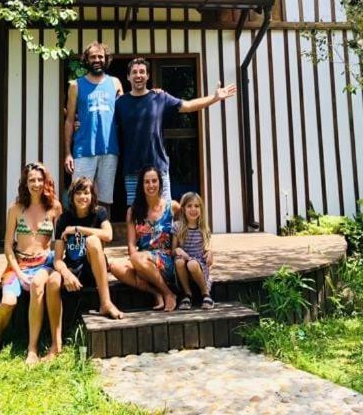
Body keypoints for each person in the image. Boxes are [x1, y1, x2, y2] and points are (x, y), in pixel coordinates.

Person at [115, 57, 237, 203]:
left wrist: (214, 98)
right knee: (136, 215)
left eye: (142, 72)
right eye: (134, 72)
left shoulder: (160, 97)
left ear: (148, 75)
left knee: (165, 214)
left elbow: (189, 105)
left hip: (158, 167)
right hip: (133, 169)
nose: (138, 75)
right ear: (128, 76)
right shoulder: (120, 103)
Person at [0, 163, 64, 365]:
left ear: (46, 181)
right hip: (19, 264)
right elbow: (7, 247)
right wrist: (18, 273)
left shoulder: (54, 207)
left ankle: (32, 348)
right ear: (25, 182)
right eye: (32, 180)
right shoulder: (15, 209)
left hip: (44, 263)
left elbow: (60, 241)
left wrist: (58, 263)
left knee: (38, 285)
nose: (36, 184)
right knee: (8, 302)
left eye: (40, 179)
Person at [109, 165, 182, 312]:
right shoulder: (133, 211)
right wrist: (138, 262)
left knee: (137, 259)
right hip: (142, 260)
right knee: (115, 266)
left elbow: (187, 231)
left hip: (165, 259)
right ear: (141, 185)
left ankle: (169, 294)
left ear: (160, 183)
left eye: (154, 181)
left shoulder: (172, 207)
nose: (151, 185)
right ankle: (157, 292)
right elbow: (131, 246)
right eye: (147, 182)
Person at [53, 176, 124, 320]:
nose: (82, 197)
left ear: (92, 196)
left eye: (86, 193)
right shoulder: (64, 219)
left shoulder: (99, 213)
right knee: (52, 281)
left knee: (92, 241)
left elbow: (108, 235)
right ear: (72, 196)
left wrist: (77, 229)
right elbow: (57, 260)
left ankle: (106, 303)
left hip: (94, 269)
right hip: (74, 272)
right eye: (78, 193)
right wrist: (66, 274)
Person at [64, 42, 122, 214]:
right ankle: (78, 239)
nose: (97, 60)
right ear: (86, 60)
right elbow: (68, 120)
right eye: (93, 57)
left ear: (106, 60)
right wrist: (67, 153)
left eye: (100, 57)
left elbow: (127, 110)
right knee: (79, 196)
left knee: (105, 199)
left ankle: (101, 239)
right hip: (83, 150)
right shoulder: (76, 85)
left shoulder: (115, 83)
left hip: (109, 149)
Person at [174, 191, 214, 309]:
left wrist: (210, 253)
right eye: (189, 206)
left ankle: (205, 293)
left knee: (192, 264)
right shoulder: (177, 226)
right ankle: (187, 294)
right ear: (183, 209)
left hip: (198, 264)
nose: (193, 209)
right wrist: (177, 250)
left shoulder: (203, 228)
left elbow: (208, 248)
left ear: (201, 209)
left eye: (196, 206)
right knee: (179, 261)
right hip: (184, 262)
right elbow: (173, 249)